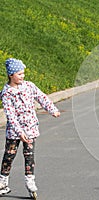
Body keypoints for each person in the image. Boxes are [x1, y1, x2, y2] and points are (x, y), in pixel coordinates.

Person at [0, 58, 60, 198]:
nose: (23, 76)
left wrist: (52, 110)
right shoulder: (6, 93)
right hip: (14, 132)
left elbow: (42, 97)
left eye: (23, 73)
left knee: (29, 156)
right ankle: (3, 182)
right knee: (9, 155)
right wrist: (19, 132)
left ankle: (30, 181)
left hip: (30, 129)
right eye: (19, 74)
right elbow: (11, 115)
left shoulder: (29, 86)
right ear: (11, 75)